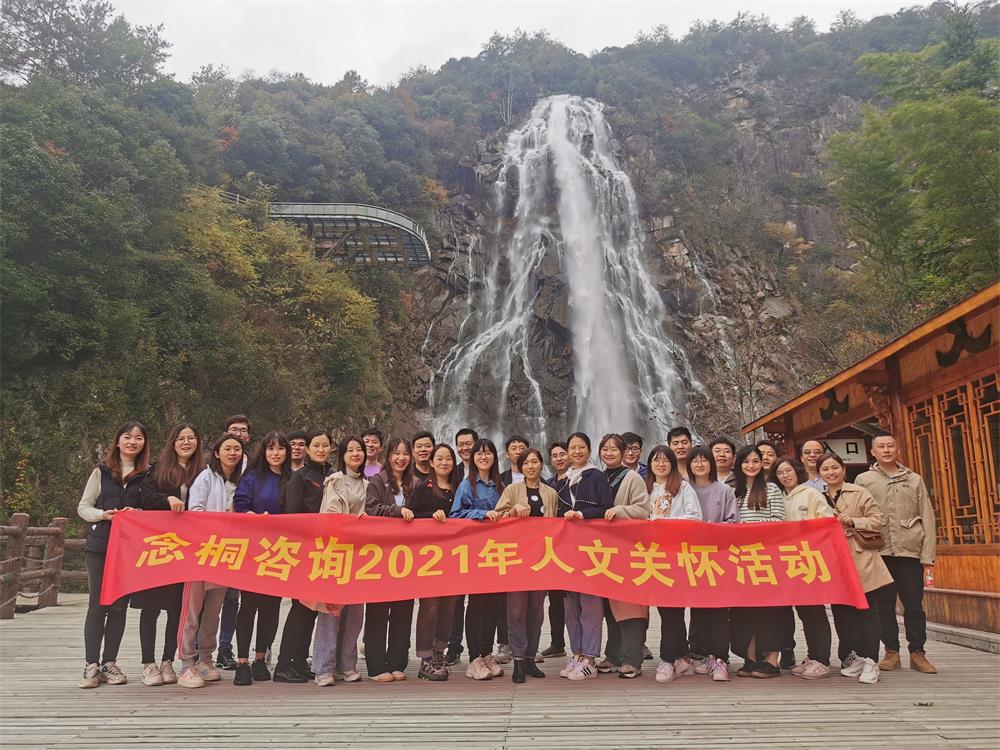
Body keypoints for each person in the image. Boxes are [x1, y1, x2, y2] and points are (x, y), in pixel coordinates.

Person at [856, 434, 938, 674]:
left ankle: (918, 653)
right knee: (884, 605)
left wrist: (927, 555)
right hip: (879, 551)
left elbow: (927, 516)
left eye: (890, 445)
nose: (886, 450)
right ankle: (891, 651)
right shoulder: (864, 480)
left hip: (909, 552)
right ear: (873, 452)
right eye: (881, 446)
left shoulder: (914, 479)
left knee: (914, 605)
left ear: (897, 449)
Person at [77, 421, 149, 689]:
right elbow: (83, 507)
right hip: (100, 546)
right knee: (98, 604)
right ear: (118, 441)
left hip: (129, 550)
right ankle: (91, 664)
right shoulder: (102, 471)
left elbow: (152, 511)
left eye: (139, 438)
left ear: (144, 443)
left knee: (119, 607)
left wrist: (138, 515)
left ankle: (110, 662)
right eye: (127, 437)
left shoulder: (147, 475)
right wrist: (103, 515)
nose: (133, 442)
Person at [133, 423, 203, 687]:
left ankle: (167, 660)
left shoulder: (203, 472)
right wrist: (167, 500)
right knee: (150, 606)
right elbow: (144, 499)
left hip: (188, 549)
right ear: (172, 442)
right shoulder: (158, 469)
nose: (186, 442)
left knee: (177, 607)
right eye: (180, 438)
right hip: (160, 547)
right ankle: (148, 663)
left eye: (191, 438)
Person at [819, 452, 893, 685]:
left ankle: (872, 660)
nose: (830, 472)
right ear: (819, 473)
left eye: (834, 467)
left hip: (861, 558)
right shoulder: (817, 497)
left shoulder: (859, 492)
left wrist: (854, 521)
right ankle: (857, 658)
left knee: (866, 610)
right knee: (842, 613)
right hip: (833, 561)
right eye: (825, 469)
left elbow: (879, 520)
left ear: (843, 469)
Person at [178, 433, 244, 688]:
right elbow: (194, 511)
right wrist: (221, 524)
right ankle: (186, 662)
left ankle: (206, 658)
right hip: (201, 552)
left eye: (237, 449)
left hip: (226, 555)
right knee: (192, 611)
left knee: (214, 611)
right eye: (227, 448)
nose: (232, 453)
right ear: (217, 453)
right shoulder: (205, 477)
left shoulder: (241, 480)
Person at [307, 436, 368, 686]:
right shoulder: (335, 481)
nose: (355, 454)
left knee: (354, 614)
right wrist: (356, 523)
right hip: (337, 553)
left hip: (361, 557)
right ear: (342, 455)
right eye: (350, 450)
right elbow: (330, 516)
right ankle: (323, 667)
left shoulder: (368, 483)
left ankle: (346, 664)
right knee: (331, 612)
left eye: (359, 450)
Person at [231, 431, 291, 686]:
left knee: (271, 607)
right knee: (248, 605)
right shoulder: (253, 477)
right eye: (271, 448)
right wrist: (254, 518)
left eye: (280, 448)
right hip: (254, 549)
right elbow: (240, 505)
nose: (275, 453)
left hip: (281, 551)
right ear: (263, 451)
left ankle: (260, 658)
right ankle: (242, 662)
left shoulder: (292, 478)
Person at [272, 429, 332, 683]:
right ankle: (283, 664)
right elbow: (293, 516)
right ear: (307, 449)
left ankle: (298, 661)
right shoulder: (300, 477)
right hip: (306, 551)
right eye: (316, 445)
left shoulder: (332, 476)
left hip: (326, 552)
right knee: (300, 608)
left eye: (325, 445)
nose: (321, 449)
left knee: (312, 610)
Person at [493, 448, 557, 682]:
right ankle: (518, 660)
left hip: (542, 559)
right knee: (516, 611)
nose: (531, 466)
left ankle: (530, 657)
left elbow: (557, 525)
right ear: (520, 467)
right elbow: (496, 518)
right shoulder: (511, 490)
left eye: (534, 462)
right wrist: (511, 511)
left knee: (536, 612)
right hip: (516, 559)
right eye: (526, 463)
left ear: (541, 464)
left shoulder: (551, 493)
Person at [773, 457, 835, 679]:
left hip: (810, 559)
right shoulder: (779, 497)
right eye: (780, 473)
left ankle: (822, 660)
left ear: (797, 471)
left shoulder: (811, 494)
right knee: (804, 612)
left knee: (815, 611)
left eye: (788, 471)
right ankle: (812, 655)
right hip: (789, 562)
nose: (785, 476)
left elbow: (827, 522)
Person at [558, 432, 614, 681]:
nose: (577, 451)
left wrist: (581, 515)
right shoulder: (562, 481)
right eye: (573, 448)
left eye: (582, 447)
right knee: (571, 606)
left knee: (590, 605)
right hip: (566, 551)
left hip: (591, 549)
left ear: (589, 450)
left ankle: (590, 657)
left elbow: (606, 508)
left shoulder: (597, 476)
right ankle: (577, 653)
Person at [645, 444, 702, 683]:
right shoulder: (646, 487)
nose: (661, 464)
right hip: (652, 557)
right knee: (667, 609)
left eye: (665, 460)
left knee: (672, 609)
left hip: (677, 555)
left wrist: (665, 523)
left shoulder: (684, 487)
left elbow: (695, 517)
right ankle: (684, 657)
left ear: (672, 463)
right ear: (650, 464)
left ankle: (667, 660)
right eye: (656, 460)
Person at [729, 444, 787, 679]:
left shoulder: (771, 488)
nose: (751, 466)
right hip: (741, 559)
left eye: (755, 461)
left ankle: (772, 661)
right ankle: (750, 659)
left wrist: (751, 529)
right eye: (746, 461)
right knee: (744, 611)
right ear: (739, 464)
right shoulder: (734, 491)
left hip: (766, 558)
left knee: (770, 610)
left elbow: (779, 521)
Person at [450, 438, 505, 680]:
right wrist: (483, 514)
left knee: (493, 605)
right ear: (472, 458)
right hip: (475, 553)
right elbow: (455, 514)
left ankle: (487, 654)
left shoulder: (500, 485)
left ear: (494, 456)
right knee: (476, 605)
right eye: (479, 453)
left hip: (497, 553)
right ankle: (474, 659)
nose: (484, 457)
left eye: (488, 452)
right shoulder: (467, 485)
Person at [596, 433, 650, 679]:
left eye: (613, 449)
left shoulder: (632, 477)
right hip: (604, 551)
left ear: (623, 452)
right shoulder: (598, 477)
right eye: (604, 449)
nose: (608, 453)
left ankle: (632, 659)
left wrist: (621, 510)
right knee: (610, 607)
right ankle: (613, 655)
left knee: (631, 607)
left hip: (628, 550)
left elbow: (643, 510)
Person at [408, 443, 462, 681]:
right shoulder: (423, 488)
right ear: (431, 462)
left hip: (455, 557)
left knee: (449, 607)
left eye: (448, 458)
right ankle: (425, 658)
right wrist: (430, 516)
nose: (444, 462)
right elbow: (409, 515)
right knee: (429, 607)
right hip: (428, 559)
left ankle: (439, 653)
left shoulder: (459, 487)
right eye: (439, 458)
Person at [686, 444, 736, 682]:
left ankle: (721, 658)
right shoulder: (684, 489)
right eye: (695, 460)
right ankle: (703, 655)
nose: (700, 464)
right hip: (692, 557)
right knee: (699, 609)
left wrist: (710, 530)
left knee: (719, 609)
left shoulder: (724, 490)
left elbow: (732, 522)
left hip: (718, 557)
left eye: (704, 460)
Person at [217, 414, 252, 670]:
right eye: (233, 429)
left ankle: (225, 648)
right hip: (211, 540)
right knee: (206, 599)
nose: (238, 433)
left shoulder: (252, 467)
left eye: (242, 430)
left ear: (248, 437)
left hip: (240, 541)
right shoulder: (209, 471)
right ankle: (198, 648)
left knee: (232, 599)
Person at [446, 428, 479, 665]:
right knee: (455, 599)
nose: (465, 447)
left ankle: (479, 649)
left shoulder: (489, 472)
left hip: (481, 544)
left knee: (479, 600)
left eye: (469, 443)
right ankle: (454, 645)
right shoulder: (452, 472)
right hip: (455, 544)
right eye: (461, 444)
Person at [540, 441, 571, 659]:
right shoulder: (548, 485)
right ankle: (557, 642)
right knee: (555, 599)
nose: (559, 458)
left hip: (575, 545)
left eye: (562, 454)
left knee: (577, 599)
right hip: (553, 548)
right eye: (554, 456)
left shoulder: (579, 480)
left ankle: (583, 646)